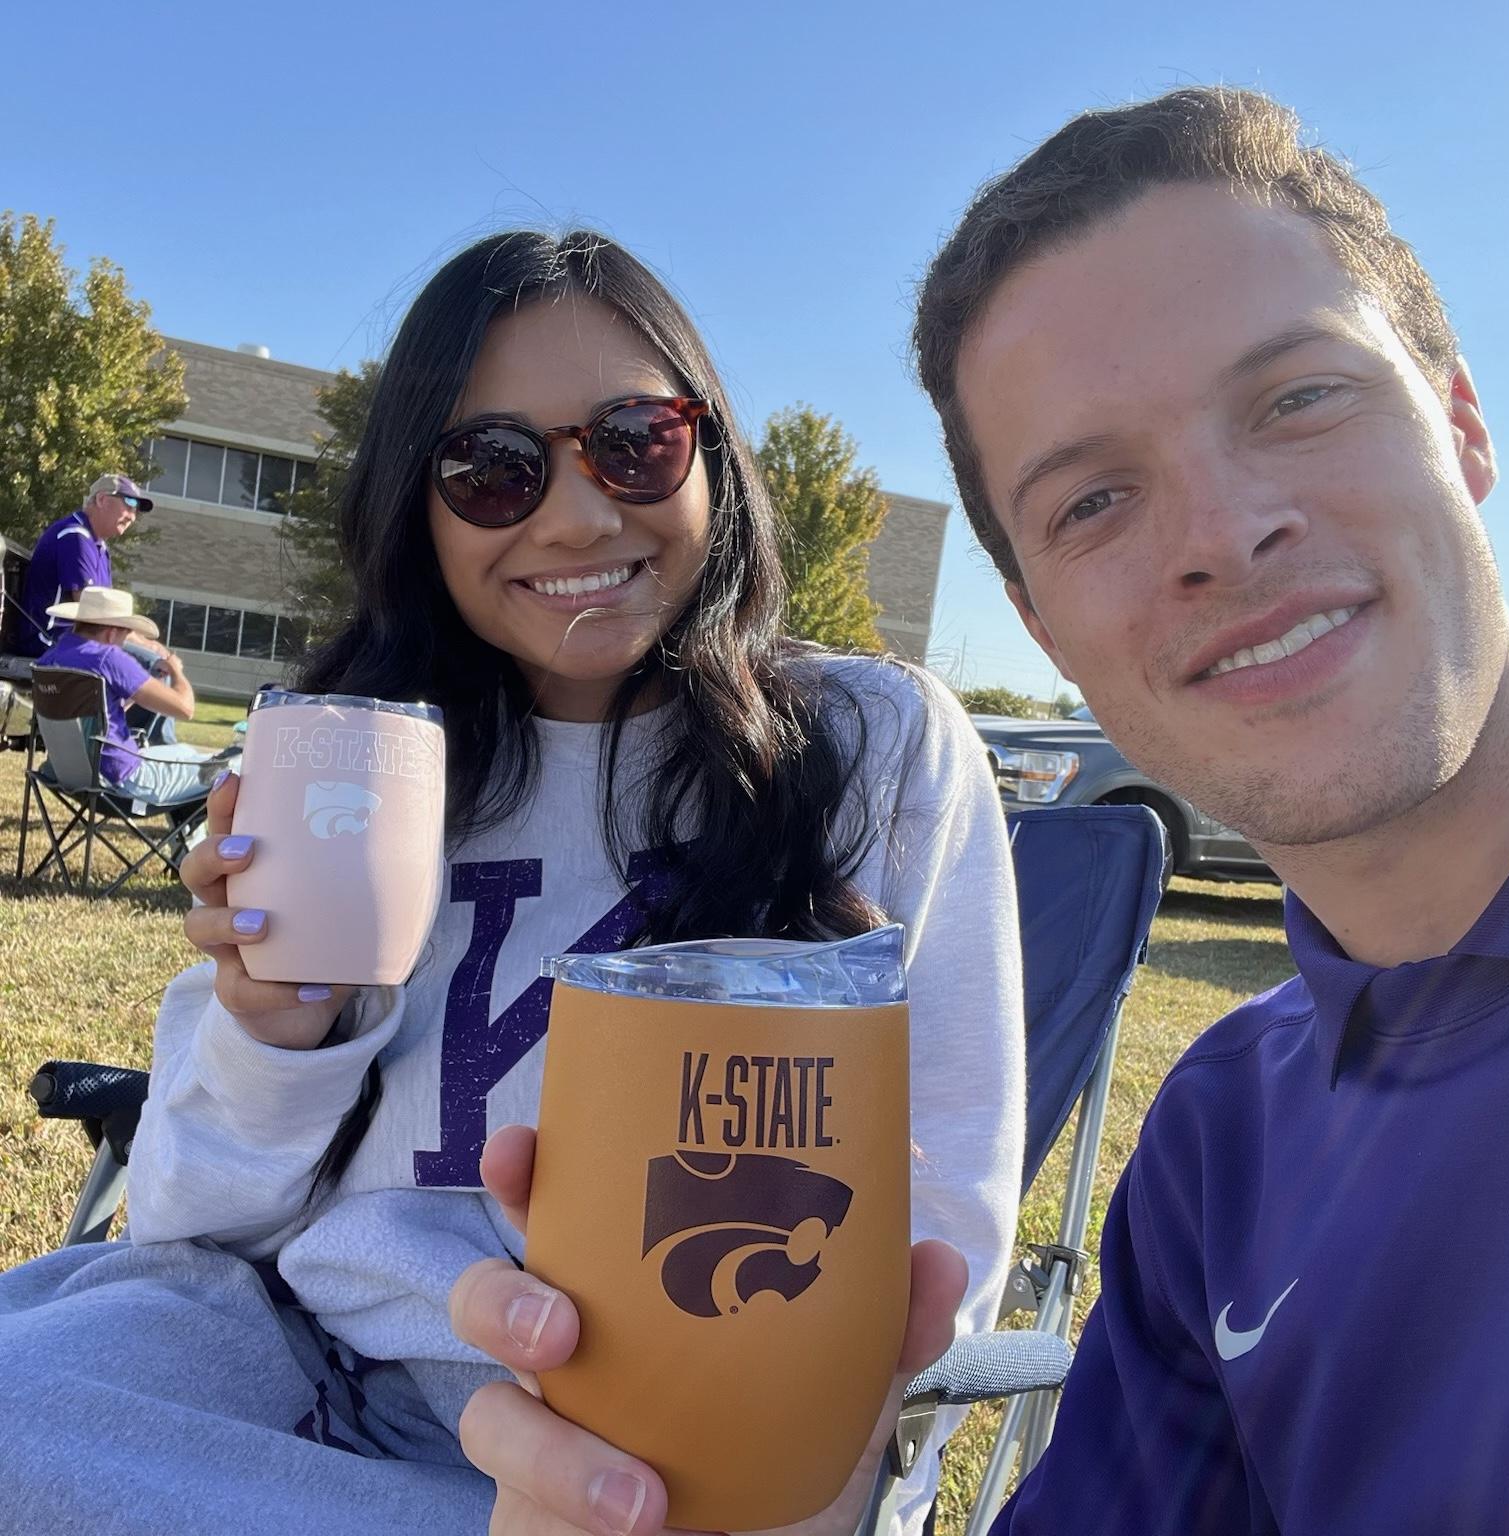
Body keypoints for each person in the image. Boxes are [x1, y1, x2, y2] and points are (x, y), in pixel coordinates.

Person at [0, 231, 1025, 1536]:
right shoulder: (356, 756)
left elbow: (942, 1227)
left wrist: (799, 1473)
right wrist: (270, 1033)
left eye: (636, 442)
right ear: (416, 507)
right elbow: (182, 1228)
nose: (580, 515)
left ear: (712, 454)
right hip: (292, 1376)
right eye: (492, 469)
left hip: (658, 1451)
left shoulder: (867, 743)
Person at [912, 86, 1509, 1533]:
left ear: (1461, 424)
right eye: (1092, 501)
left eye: (1298, 399)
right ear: (1042, 628)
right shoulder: (1220, 1144)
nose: (1224, 533)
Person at [37, 584, 225, 806]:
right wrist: (176, 671)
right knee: (228, 770)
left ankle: (188, 830)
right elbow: (185, 708)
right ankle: (193, 828)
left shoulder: (50, 659)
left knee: (184, 752)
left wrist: (138, 688)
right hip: (122, 781)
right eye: (125, 635)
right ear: (111, 633)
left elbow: (95, 713)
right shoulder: (108, 658)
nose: (124, 643)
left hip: (66, 773)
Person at [16, 473, 153, 657]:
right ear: (102, 499)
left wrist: (146, 645)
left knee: (150, 659)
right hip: (47, 641)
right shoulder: (74, 536)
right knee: (150, 661)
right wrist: (147, 647)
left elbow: (107, 614)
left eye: (136, 510)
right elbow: (93, 611)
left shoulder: (99, 546)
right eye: (129, 503)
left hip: (75, 641)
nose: (132, 517)